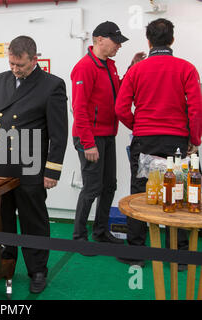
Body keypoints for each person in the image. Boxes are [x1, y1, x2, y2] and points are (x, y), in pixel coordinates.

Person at [0, 35, 68, 293]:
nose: (15, 69)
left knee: (33, 221)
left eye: (20, 65)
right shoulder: (0, 80)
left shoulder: (52, 85)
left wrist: (52, 170)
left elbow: (59, 132)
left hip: (30, 166)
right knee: (0, 219)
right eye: (11, 63)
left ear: (34, 59)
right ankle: (2, 263)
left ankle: (37, 270)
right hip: (1, 165)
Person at [115, 18, 202, 268]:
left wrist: (138, 127)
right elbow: (196, 109)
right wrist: (193, 139)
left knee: (141, 192)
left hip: (145, 140)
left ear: (149, 41)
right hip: (177, 141)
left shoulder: (136, 70)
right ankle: (179, 257)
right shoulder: (186, 68)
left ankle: (136, 253)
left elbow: (121, 108)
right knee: (179, 193)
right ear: (172, 40)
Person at [71, 21, 145, 247]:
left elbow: (119, 90)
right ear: (100, 39)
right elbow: (79, 108)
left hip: (107, 134)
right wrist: (88, 143)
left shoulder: (109, 66)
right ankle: (79, 238)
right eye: (116, 41)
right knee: (92, 188)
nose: (119, 46)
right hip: (90, 137)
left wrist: (132, 68)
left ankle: (100, 232)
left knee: (109, 185)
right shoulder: (84, 67)